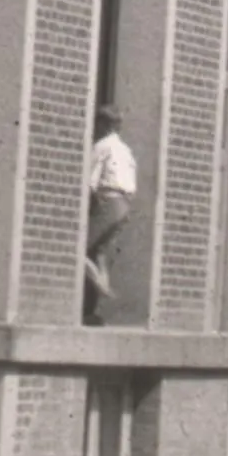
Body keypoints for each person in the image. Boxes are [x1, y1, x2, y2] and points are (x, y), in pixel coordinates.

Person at [83, 102, 136, 325]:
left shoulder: (101, 146)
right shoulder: (125, 149)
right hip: (124, 204)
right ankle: (95, 307)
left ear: (104, 124)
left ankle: (101, 287)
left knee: (75, 249)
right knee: (99, 254)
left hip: (109, 202)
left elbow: (88, 183)